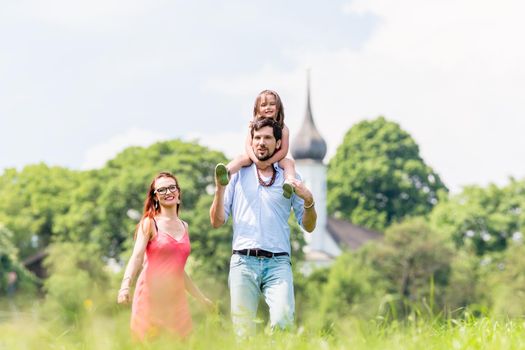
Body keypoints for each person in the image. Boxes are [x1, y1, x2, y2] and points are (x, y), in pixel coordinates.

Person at [210, 117, 317, 337]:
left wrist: (309, 201)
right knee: (243, 331)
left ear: (278, 143)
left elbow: (308, 226)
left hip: (278, 262)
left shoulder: (291, 178)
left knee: (283, 321)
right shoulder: (237, 173)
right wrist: (220, 189)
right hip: (243, 261)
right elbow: (217, 221)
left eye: (267, 137)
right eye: (257, 137)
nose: (261, 142)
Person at [117, 171, 212, 340]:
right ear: (155, 197)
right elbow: (137, 257)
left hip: (176, 299)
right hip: (150, 295)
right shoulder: (149, 223)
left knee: (181, 343)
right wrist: (125, 286)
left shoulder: (185, 226)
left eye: (171, 187)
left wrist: (201, 299)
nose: (168, 192)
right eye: (161, 190)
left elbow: (179, 271)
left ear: (178, 192)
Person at [215, 89, 297, 199]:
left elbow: (283, 150)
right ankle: (227, 172)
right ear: (257, 109)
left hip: (276, 157)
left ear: (278, 108)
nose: (268, 107)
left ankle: (290, 183)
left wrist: (268, 162)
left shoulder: (284, 129)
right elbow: (248, 146)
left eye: (272, 104)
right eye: (263, 105)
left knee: (289, 163)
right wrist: (257, 161)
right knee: (241, 158)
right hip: (255, 156)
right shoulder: (253, 126)